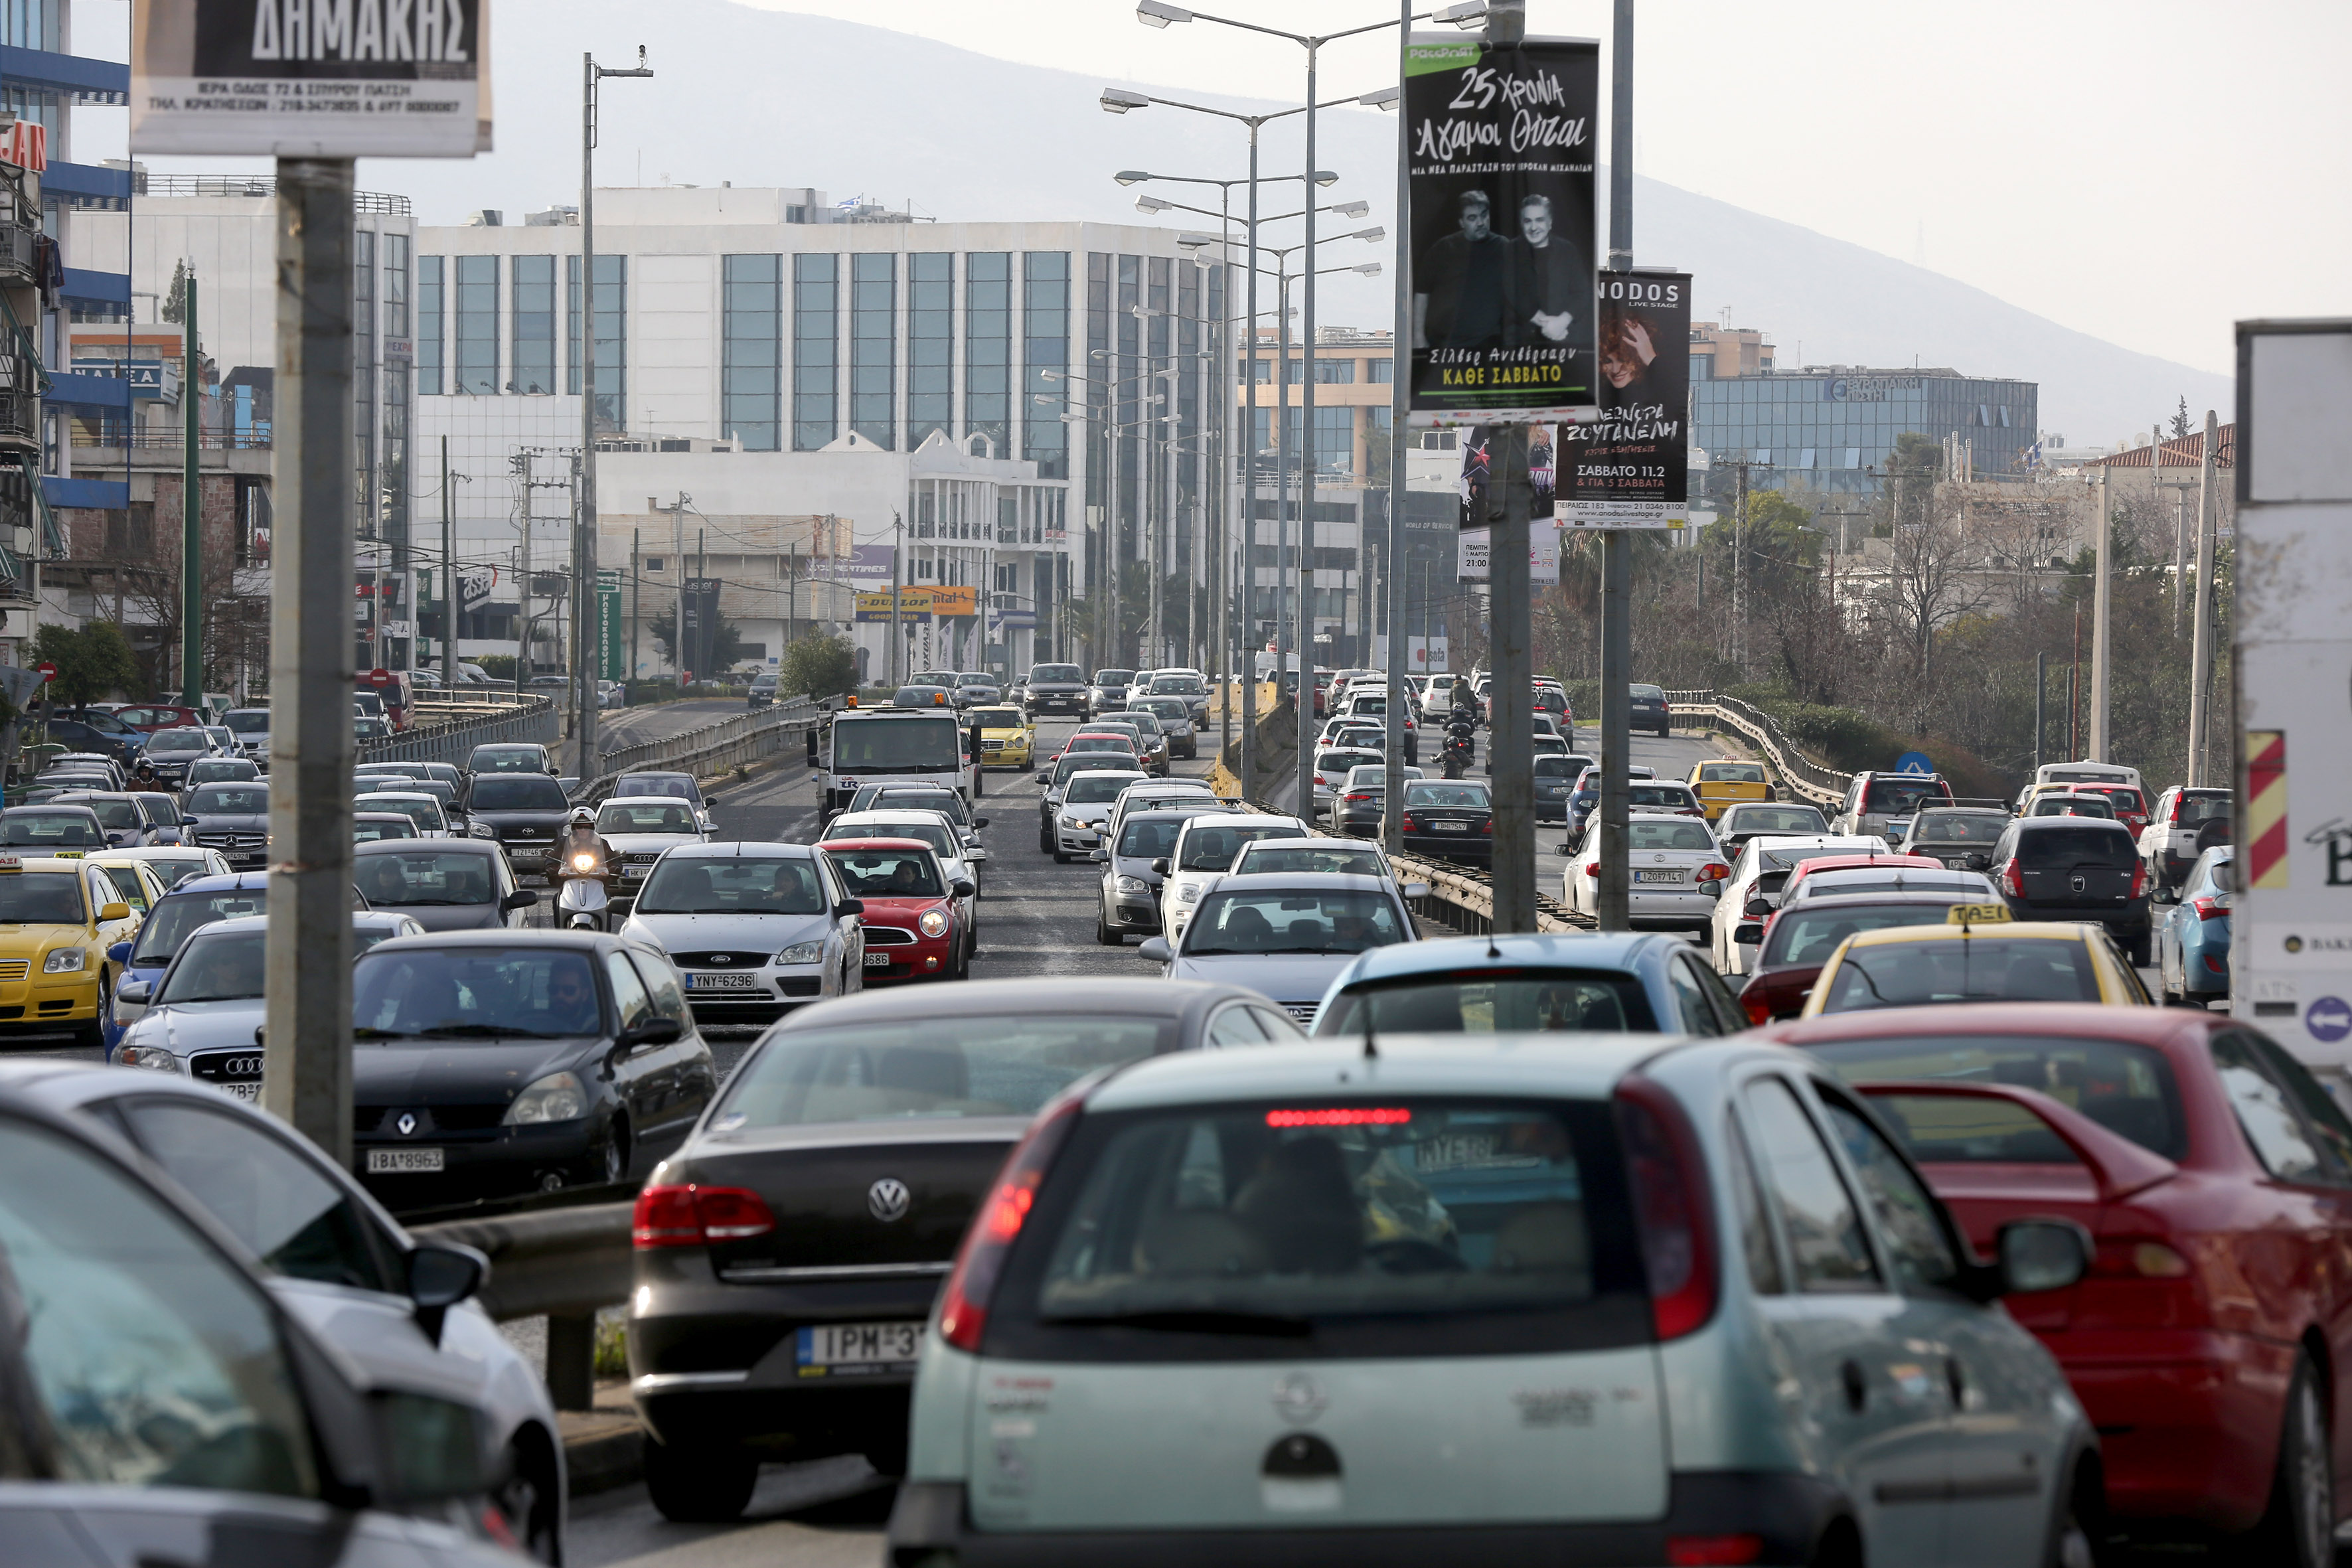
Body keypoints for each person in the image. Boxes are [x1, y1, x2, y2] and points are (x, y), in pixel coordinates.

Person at [1415, 190, 1519, 353]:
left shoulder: (1504, 247)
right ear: (1461, 222)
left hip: (1488, 343)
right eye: (1472, 218)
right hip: (1444, 344)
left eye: (1484, 215)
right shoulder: (1443, 248)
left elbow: (1518, 294)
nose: (1481, 223)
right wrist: (1418, 338)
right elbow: (1422, 294)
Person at [1512, 194, 1592, 348]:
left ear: (1550, 223)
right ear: (1522, 224)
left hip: (1563, 340)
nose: (1533, 228)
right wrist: (1547, 325)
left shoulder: (1568, 250)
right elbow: (1510, 295)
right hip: (1519, 344)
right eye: (1528, 221)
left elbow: (1582, 292)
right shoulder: (1510, 250)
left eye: (1539, 220)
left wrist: (1563, 321)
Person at [556, 807, 611, 877]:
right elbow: (553, 858)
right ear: (572, 828)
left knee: (605, 888)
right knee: (562, 888)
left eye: (587, 827)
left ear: (593, 827)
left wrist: (615, 867)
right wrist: (551, 868)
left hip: (596, 878)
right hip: (569, 878)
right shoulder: (563, 843)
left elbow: (613, 859)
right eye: (579, 827)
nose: (583, 830)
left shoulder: (601, 843)